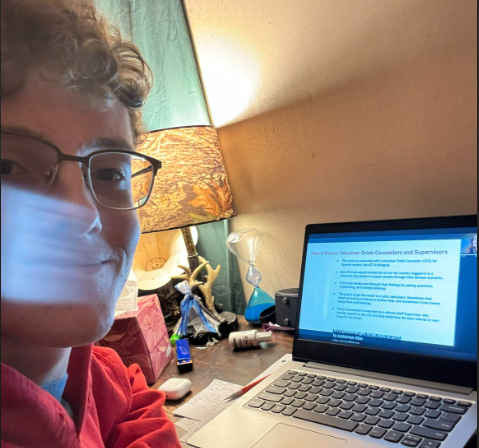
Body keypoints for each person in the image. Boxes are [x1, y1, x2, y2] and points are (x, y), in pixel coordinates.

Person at [1, 0, 182, 447]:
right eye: (8, 167)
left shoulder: (96, 372)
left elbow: (132, 402)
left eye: (108, 173)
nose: (83, 215)